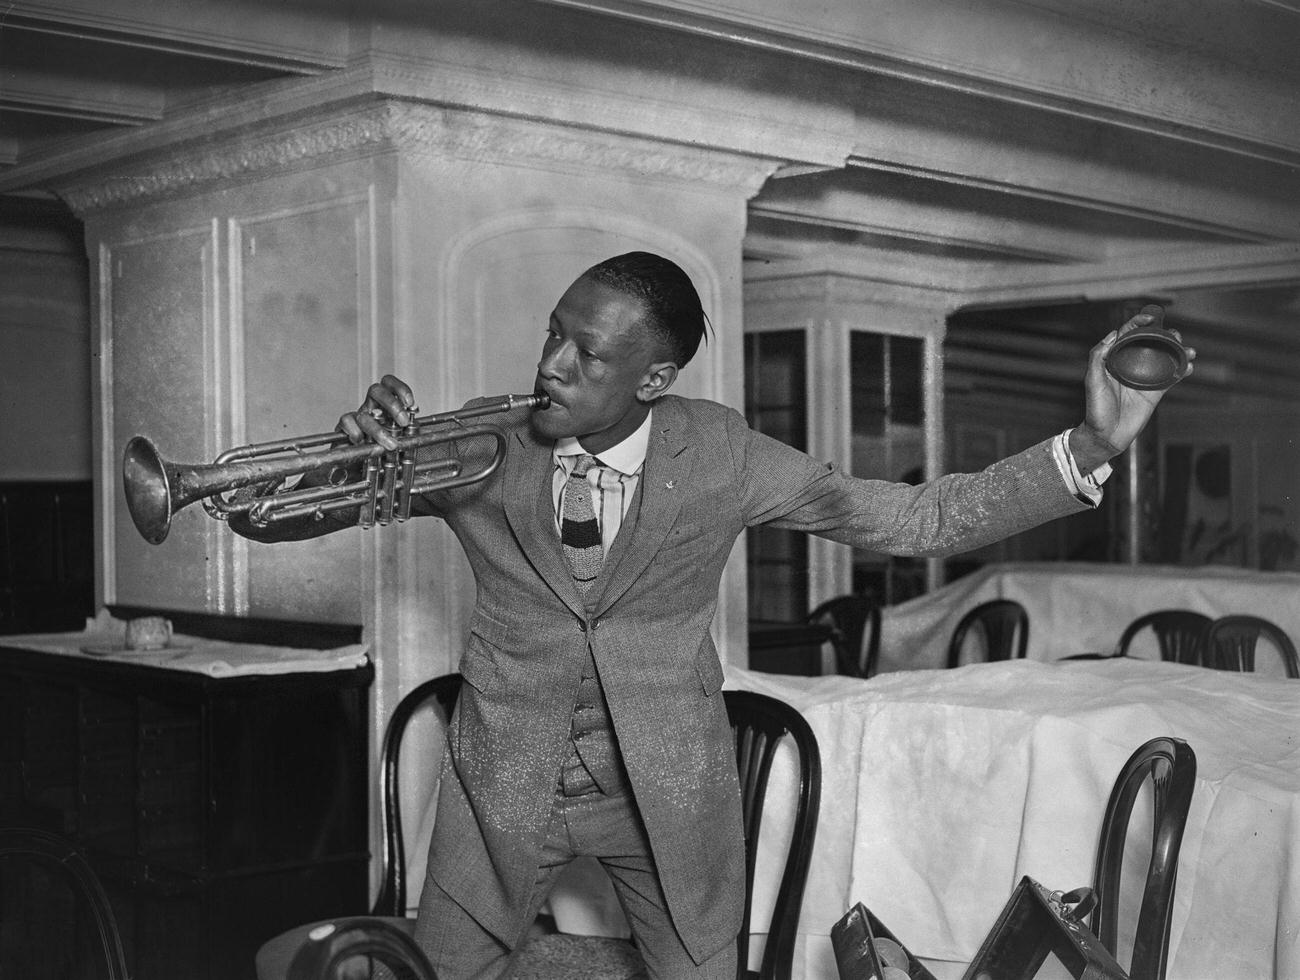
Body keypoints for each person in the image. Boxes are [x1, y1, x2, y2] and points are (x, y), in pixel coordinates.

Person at [236, 251, 1191, 979]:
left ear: (654, 380)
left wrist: (1094, 442)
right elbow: (274, 519)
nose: (552, 367)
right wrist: (345, 458)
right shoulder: (486, 441)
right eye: (552, 334)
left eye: (589, 352)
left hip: (668, 794)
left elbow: (920, 516)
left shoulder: (724, 454)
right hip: (500, 784)